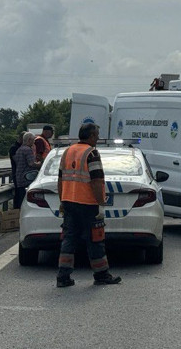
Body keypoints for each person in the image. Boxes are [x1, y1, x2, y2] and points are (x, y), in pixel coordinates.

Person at [56, 123, 121, 287]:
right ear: (91, 136)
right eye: (97, 135)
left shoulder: (68, 151)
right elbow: (97, 181)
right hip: (88, 204)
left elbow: (60, 178)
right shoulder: (91, 153)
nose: (98, 138)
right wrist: (101, 204)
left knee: (69, 239)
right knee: (95, 239)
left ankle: (63, 277)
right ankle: (101, 275)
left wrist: (62, 200)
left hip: (69, 202)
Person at [12, 132, 40, 208]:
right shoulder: (28, 150)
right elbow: (31, 164)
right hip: (26, 179)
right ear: (29, 140)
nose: (34, 142)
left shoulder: (19, 149)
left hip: (19, 178)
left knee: (20, 200)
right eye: (33, 140)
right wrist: (41, 164)